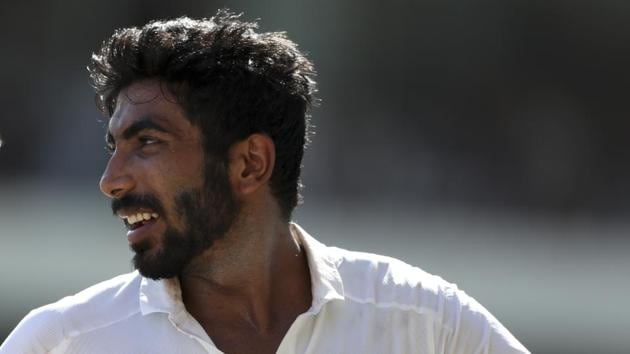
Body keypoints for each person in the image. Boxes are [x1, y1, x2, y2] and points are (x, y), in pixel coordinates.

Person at [0, 10, 529, 354]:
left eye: (148, 143)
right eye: (114, 147)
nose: (111, 182)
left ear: (250, 163)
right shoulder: (60, 344)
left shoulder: (426, 325)